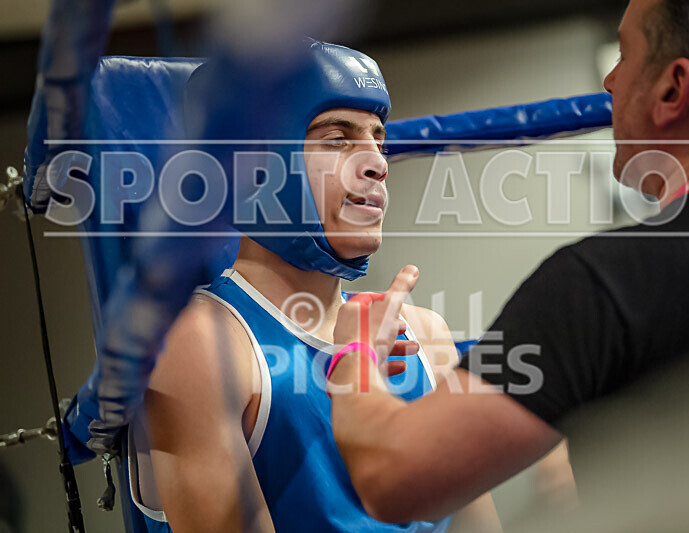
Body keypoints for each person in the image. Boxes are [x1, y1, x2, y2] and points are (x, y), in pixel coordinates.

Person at [327, 0, 689, 527]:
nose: (610, 82)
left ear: (673, 90)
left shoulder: (611, 281)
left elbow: (392, 479)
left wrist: (354, 349)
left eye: (625, 55)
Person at [126, 40, 500, 532]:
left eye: (378, 140)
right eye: (337, 139)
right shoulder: (198, 346)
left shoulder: (426, 337)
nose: (377, 163)